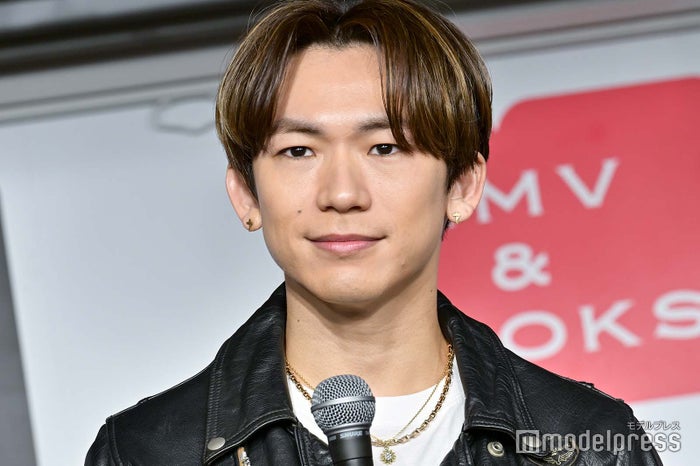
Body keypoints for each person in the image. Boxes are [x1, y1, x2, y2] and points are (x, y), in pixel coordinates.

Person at [86, 0, 663, 465]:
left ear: (462, 186)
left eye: (384, 148)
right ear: (246, 194)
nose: (342, 194)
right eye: (298, 150)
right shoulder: (147, 452)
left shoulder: (588, 442)